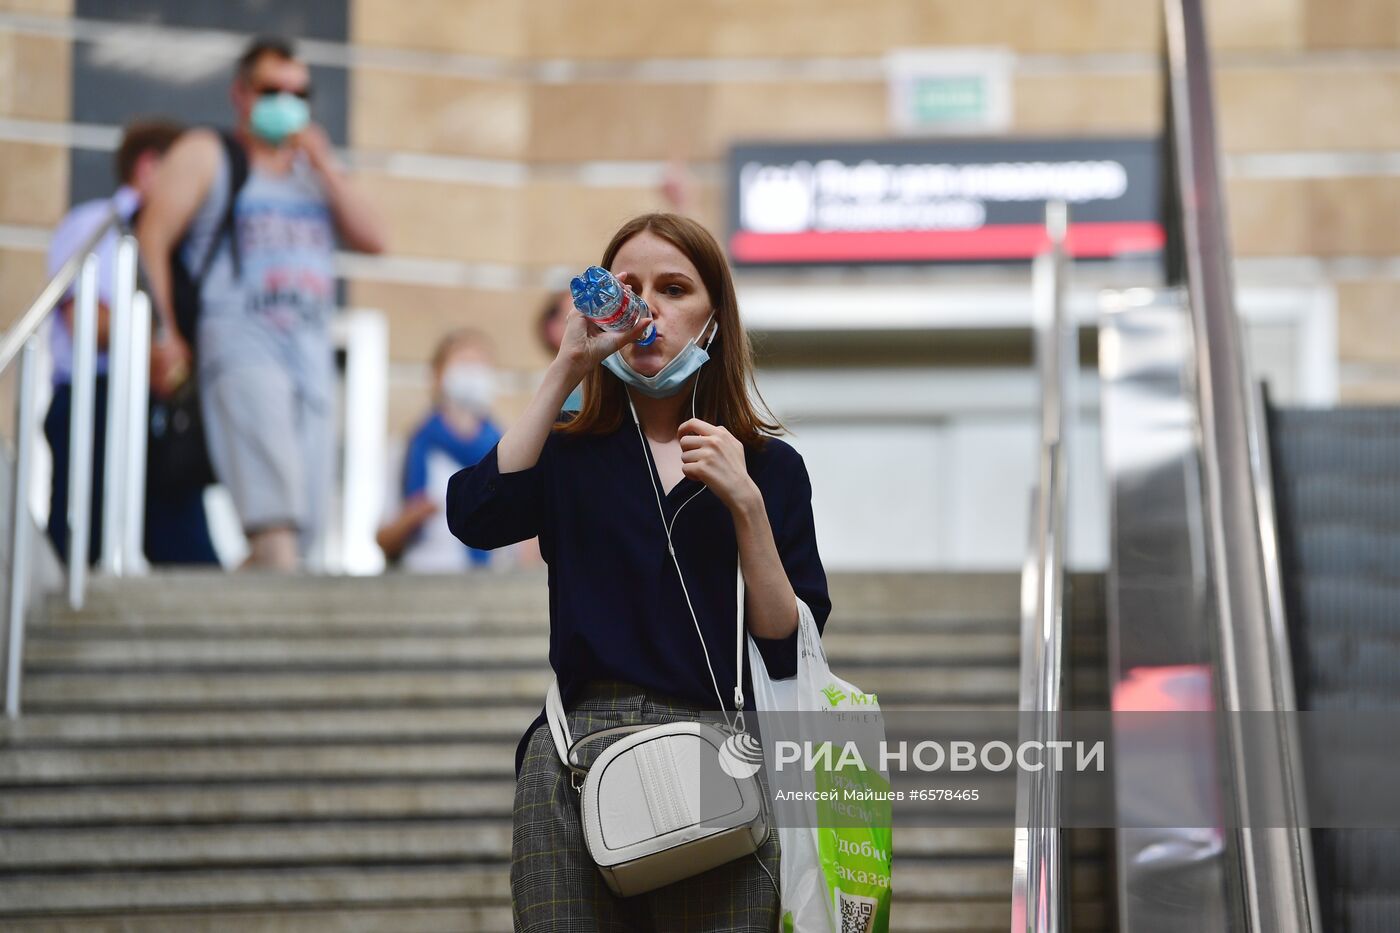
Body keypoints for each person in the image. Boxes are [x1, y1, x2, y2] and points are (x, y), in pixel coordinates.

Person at [447, 212, 830, 931]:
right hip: (575, 761)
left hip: (719, 760)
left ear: (715, 318)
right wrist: (567, 367)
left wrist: (745, 503)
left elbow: (786, 646)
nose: (646, 307)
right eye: (628, 287)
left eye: (674, 288)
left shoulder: (768, 466)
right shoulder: (569, 451)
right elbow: (476, 514)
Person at [136, 36, 386, 572]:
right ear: (242, 94)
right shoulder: (207, 153)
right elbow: (151, 236)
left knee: (302, 524)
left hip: (310, 354)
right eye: (273, 89)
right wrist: (163, 332)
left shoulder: (312, 172)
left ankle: (240, 595)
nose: (287, 102)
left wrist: (324, 163)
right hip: (240, 341)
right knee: (276, 514)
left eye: (300, 93)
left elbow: (376, 239)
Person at [44, 118, 220, 566]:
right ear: (148, 168)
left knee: (187, 551)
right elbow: (87, 320)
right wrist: (162, 345)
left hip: (158, 410)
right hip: (96, 400)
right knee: (79, 546)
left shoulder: (180, 237)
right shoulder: (101, 224)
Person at [377, 329, 503, 572]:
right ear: (438, 375)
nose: (472, 374)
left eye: (480, 365)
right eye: (464, 363)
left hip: (487, 584)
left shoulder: (506, 449)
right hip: (424, 579)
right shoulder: (408, 448)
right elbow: (384, 539)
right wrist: (412, 517)